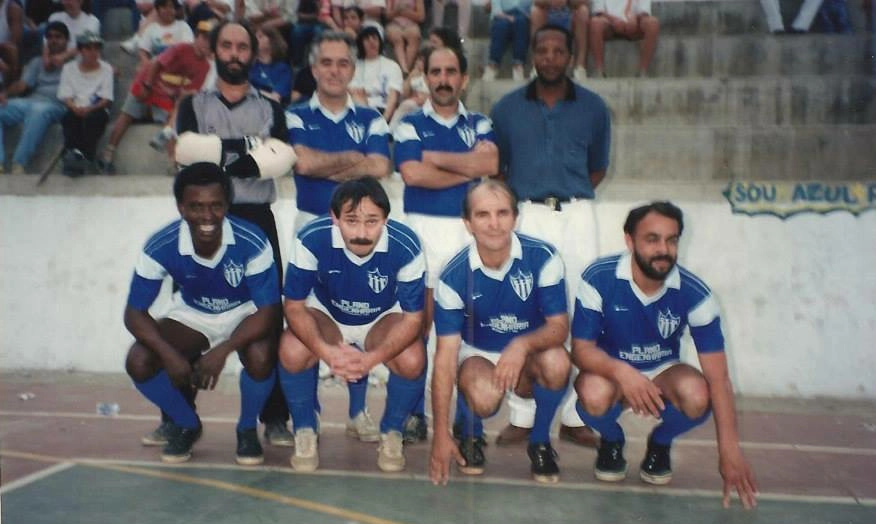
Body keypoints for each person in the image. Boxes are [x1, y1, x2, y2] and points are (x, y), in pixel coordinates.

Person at [571, 202, 758, 509]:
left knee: (699, 394)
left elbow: (719, 378)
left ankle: (660, 442)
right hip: (611, 371)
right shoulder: (599, 278)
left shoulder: (695, 294)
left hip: (662, 370)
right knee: (591, 392)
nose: (664, 249)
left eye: (672, 240)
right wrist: (623, 373)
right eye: (652, 239)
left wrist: (729, 451)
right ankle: (612, 440)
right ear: (630, 241)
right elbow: (581, 349)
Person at [173, 19, 298, 448]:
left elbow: (282, 159)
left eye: (241, 47)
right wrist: (249, 152)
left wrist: (217, 154)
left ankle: (275, 417)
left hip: (256, 219)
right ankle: (179, 417)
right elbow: (187, 154)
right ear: (215, 50)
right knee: (189, 314)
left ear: (253, 52)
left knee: (269, 319)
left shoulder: (271, 108)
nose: (234, 54)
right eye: (226, 45)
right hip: (204, 222)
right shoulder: (193, 104)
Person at [489, 23, 609, 448]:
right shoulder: (505, 109)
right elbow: (497, 169)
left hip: (577, 215)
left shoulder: (594, 108)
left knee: (580, 313)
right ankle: (522, 416)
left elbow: (598, 168)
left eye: (560, 51)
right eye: (544, 50)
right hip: (528, 215)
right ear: (534, 54)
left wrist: (565, 191)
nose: (551, 58)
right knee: (527, 311)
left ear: (570, 56)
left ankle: (575, 416)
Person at [124, 163, 281, 465]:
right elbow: (134, 313)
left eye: (215, 206)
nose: (207, 217)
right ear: (181, 207)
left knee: (262, 355)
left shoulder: (252, 239)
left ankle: (247, 429)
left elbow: (268, 311)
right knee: (139, 360)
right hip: (193, 313)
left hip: (244, 312)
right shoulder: (161, 245)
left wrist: (223, 350)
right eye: (196, 207)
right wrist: (169, 354)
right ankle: (186, 423)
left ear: (227, 205)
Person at [279, 176, 427, 472]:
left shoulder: (406, 245)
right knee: (292, 349)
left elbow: (414, 319)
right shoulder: (311, 238)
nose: (361, 233)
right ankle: (306, 428)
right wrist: (329, 352)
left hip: (381, 317)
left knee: (412, 359)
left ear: (386, 218)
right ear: (334, 217)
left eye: (372, 221)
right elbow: (293, 307)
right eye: (351, 221)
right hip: (328, 313)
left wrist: (370, 359)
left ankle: (392, 431)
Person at [429, 180, 571, 484]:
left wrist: (521, 346)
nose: (494, 224)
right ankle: (468, 430)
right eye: (482, 215)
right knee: (483, 397)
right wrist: (438, 435)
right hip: (478, 354)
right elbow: (444, 358)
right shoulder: (453, 275)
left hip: (529, 351)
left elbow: (559, 328)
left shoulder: (543, 257)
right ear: (468, 223)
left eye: (502, 213)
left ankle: (540, 440)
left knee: (558, 362)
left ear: (515, 217)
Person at [393, 44, 498, 442]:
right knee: (417, 327)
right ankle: (413, 413)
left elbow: (489, 165)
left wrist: (434, 158)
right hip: (422, 232)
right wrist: (466, 170)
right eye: (434, 72)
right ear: (425, 77)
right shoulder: (407, 123)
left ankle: (469, 422)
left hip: (467, 235)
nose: (442, 79)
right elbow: (413, 175)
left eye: (450, 71)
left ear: (463, 78)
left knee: (469, 329)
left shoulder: (482, 124)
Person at [286, 30, 391, 231]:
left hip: (361, 230)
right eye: (326, 63)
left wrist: (322, 166)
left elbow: (379, 167)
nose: (335, 71)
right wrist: (354, 158)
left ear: (353, 70)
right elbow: (304, 164)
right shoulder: (295, 115)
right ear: (314, 69)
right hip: (310, 223)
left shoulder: (372, 118)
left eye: (343, 64)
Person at [100, 18, 212, 173]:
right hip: (148, 81)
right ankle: (108, 154)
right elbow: (155, 64)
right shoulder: (181, 49)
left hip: (166, 94)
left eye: (211, 40)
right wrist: (147, 85)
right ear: (197, 36)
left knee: (174, 121)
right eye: (204, 37)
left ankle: (175, 163)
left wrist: (174, 96)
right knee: (126, 115)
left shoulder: (205, 66)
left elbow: (189, 92)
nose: (207, 43)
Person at [0, 21, 69, 175]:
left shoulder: (74, 63)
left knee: (38, 111)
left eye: (58, 37)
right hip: (31, 101)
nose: (53, 40)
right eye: (50, 37)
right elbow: (22, 86)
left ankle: (18, 164)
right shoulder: (38, 62)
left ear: (67, 41)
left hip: (57, 105)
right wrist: (4, 94)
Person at [57, 30, 113, 176]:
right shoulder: (69, 68)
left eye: (96, 48)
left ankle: (86, 157)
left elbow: (106, 99)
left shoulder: (106, 69)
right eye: (88, 48)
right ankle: (72, 155)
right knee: (69, 119)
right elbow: (65, 96)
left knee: (95, 119)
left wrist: (90, 108)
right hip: (75, 107)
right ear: (80, 50)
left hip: (96, 109)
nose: (93, 52)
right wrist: (74, 107)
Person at [589, 0, 659, 78]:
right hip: (609, 24)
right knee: (595, 22)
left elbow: (644, 12)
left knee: (652, 23)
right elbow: (599, 12)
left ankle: (642, 72)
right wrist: (614, 20)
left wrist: (634, 19)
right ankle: (599, 72)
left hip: (634, 24)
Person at [350, 26, 403, 123]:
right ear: (361, 44)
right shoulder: (354, 67)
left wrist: (383, 121)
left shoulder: (392, 66)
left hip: (384, 110)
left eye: (374, 38)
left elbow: (393, 97)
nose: (372, 42)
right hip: (360, 110)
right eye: (367, 39)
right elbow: (354, 92)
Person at [529, 0, 589, 81]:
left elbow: (585, 1)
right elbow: (536, 1)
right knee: (535, 11)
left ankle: (580, 66)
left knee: (583, 10)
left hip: (570, 13)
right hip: (547, 12)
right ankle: (536, 65)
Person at [482, 0, 532, 82]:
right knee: (501, 26)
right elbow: (496, 11)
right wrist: (509, 18)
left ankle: (518, 65)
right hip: (502, 16)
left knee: (521, 23)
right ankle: (492, 65)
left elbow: (533, 8)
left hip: (522, 17)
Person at [249, 25, 292, 105]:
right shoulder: (249, 66)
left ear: (272, 41)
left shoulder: (283, 69)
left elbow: (275, 98)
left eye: (260, 36)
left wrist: (252, 92)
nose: (254, 39)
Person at [384, 0, 424, 75]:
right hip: (394, 24)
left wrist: (404, 12)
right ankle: (403, 68)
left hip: (411, 24)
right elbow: (388, 15)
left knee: (414, 36)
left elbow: (421, 16)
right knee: (397, 38)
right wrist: (397, 11)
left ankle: (405, 70)